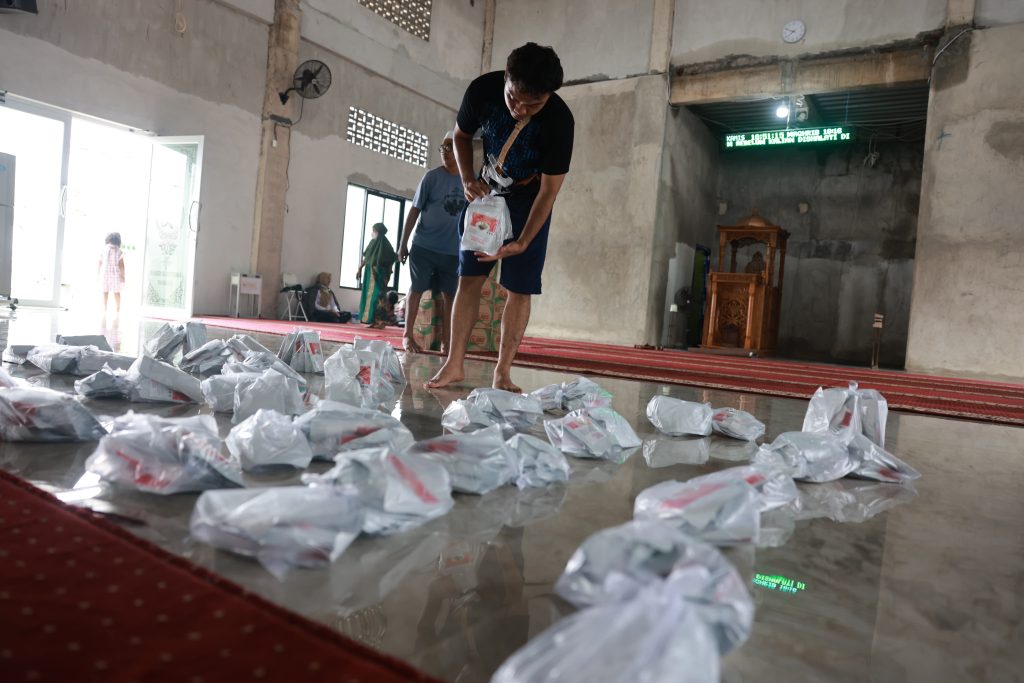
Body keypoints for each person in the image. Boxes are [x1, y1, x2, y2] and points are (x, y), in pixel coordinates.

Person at [426, 43, 574, 392]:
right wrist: (466, 178)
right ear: (506, 78)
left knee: (519, 288)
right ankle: (454, 365)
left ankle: (502, 372)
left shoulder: (560, 122)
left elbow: (549, 192)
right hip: (486, 193)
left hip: (528, 199)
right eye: (514, 98)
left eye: (533, 104)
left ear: (548, 96)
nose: (521, 109)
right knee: (470, 277)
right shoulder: (482, 90)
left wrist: (523, 241)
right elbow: (461, 136)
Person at [398, 131, 466, 354]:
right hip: (424, 247)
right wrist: (403, 243)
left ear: (460, 151)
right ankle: (407, 337)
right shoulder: (431, 177)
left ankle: (447, 343)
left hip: (454, 252)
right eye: (442, 149)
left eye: (450, 148)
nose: (445, 153)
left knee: (450, 296)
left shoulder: (469, 179)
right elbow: (414, 210)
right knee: (416, 289)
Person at [357, 223, 397, 325]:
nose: (373, 233)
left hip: (377, 273)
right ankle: (366, 318)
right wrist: (360, 269)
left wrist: (389, 270)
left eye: (374, 231)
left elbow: (391, 259)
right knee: (368, 295)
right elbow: (367, 258)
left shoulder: (385, 245)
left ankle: (373, 318)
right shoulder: (374, 243)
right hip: (370, 272)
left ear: (378, 232)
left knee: (376, 296)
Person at [98, 232, 125, 314]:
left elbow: (100, 262)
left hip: (105, 273)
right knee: (116, 292)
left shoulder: (103, 249)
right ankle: (118, 308)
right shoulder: (119, 251)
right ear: (118, 241)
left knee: (105, 291)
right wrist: (123, 275)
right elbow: (121, 265)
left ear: (108, 240)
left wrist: (98, 272)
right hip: (116, 274)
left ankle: (104, 307)